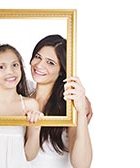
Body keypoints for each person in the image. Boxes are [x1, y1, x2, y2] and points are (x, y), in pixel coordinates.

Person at [28, 35, 93, 168]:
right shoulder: (21, 95)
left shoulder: (68, 106)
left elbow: (82, 164)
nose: (39, 65)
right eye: (38, 57)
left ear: (62, 71)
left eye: (50, 62)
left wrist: (80, 111)